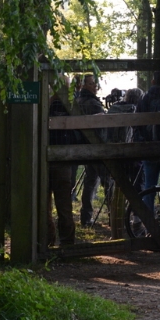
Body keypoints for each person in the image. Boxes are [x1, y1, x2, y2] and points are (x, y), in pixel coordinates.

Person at [77, 73, 111, 226]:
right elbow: (104, 125)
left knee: (89, 182)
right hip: (97, 147)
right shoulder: (92, 103)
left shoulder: (78, 101)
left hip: (86, 147)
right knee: (107, 182)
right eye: (91, 83)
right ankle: (114, 216)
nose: (95, 86)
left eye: (95, 83)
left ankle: (85, 217)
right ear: (84, 85)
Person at [48, 77, 76, 246]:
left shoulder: (46, 106)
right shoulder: (72, 107)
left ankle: (46, 241)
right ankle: (67, 242)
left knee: (45, 206)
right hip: (63, 160)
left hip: (47, 160)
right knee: (64, 204)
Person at [134, 71, 160, 213]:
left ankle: (149, 223)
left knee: (149, 187)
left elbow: (137, 124)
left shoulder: (144, 100)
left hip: (149, 148)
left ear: (152, 82)